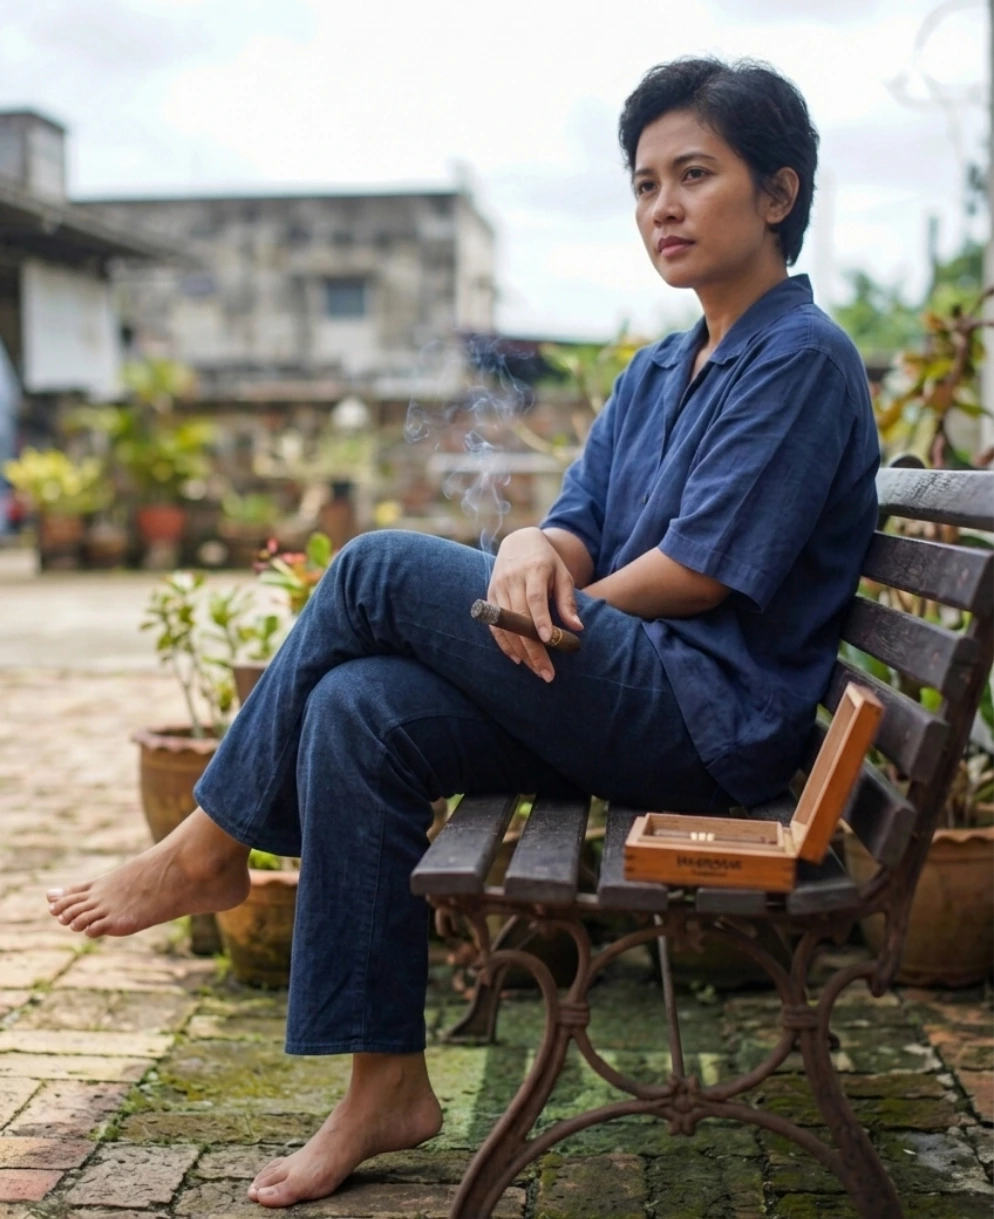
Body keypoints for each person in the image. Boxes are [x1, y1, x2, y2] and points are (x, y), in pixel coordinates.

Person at [46, 57, 879, 1209]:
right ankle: (384, 1085)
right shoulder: (658, 368)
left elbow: (695, 572)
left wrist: (535, 606)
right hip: (622, 690)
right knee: (360, 710)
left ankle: (207, 847)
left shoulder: (799, 359)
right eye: (643, 184)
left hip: (702, 726)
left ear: (778, 192)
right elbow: (579, 519)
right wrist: (531, 552)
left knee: (378, 564)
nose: (662, 208)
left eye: (695, 175)